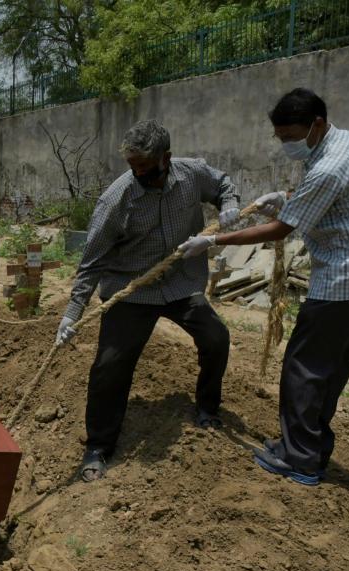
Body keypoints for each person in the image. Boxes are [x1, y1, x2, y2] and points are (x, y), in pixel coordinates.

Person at [179, 88, 349, 486]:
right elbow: (323, 198)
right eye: (280, 138)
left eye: (290, 138)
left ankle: (299, 459)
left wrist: (213, 242)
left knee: (304, 368)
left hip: (348, 277)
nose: (286, 146)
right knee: (330, 368)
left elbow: (283, 229)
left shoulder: (329, 165)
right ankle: (311, 447)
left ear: (316, 124)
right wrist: (284, 196)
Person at [58, 119, 240, 482]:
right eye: (132, 167)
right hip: (132, 289)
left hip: (180, 283)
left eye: (144, 167)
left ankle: (206, 408)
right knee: (110, 365)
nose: (137, 174)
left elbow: (222, 184)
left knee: (216, 339)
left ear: (166, 158)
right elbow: (91, 262)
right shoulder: (116, 199)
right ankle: (98, 446)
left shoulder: (190, 175)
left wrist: (229, 205)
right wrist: (72, 314)